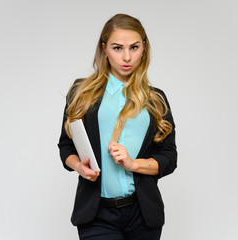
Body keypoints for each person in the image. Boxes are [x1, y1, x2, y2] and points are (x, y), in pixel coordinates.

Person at [58, 13, 177, 240]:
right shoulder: (81, 93)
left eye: (134, 47)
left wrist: (133, 163)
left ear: (144, 48)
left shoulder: (156, 100)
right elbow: (65, 146)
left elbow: (169, 158)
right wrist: (79, 167)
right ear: (104, 49)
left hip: (143, 214)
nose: (126, 57)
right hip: (97, 214)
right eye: (117, 48)